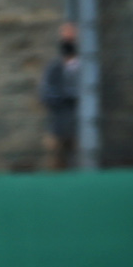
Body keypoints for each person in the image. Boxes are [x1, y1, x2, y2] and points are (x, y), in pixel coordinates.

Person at [39, 22, 79, 170]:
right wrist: (68, 96)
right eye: (65, 39)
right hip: (57, 126)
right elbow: (46, 95)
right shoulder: (54, 67)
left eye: (71, 39)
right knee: (55, 165)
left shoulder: (85, 66)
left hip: (80, 127)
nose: (68, 42)